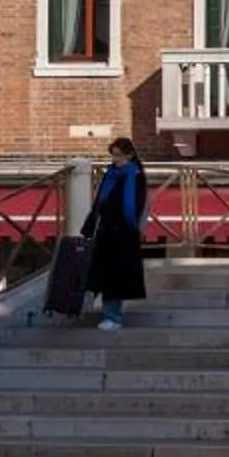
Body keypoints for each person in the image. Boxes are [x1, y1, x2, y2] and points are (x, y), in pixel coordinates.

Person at [83, 137, 148, 331]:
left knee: (116, 276)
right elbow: (100, 201)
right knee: (105, 275)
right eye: (113, 155)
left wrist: (133, 226)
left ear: (129, 155)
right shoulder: (110, 174)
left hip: (124, 233)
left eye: (119, 155)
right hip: (106, 232)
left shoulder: (135, 175)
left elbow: (136, 203)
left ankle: (114, 316)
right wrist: (91, 224)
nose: (115, 159)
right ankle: (108, 314)